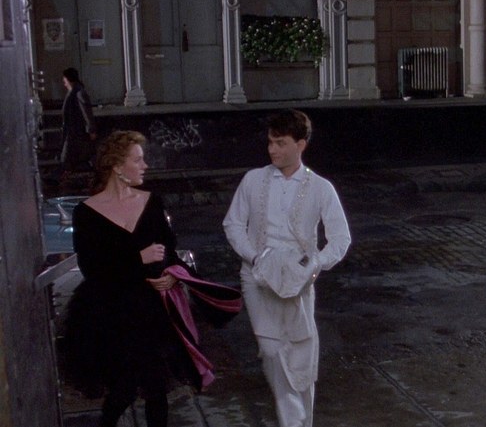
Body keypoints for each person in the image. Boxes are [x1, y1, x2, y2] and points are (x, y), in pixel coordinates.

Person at [63, 131, 205, 427]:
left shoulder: (152, 202)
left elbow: (168, 250)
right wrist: (137, 258)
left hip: (150, 310)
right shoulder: (87, 214)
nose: (145, 166)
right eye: (138, 160)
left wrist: (171, 275)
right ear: (117, 166)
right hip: (111, 314)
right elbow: (93, 268)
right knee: (124, 386)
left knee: (155, 387)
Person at [223, 109, 351, 427]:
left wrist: (315, 264)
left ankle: (301, 422)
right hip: (257, 276)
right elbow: (233, 224)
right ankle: (292, 420)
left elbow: (340, 238)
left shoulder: (321, 188)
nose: (272, 150)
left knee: (300, 350)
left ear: (300, 144)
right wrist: (255, 257)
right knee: (270, 349)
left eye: (280, 143)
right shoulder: (253, 179)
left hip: (298, 281)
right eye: (270, 142)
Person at [60, 67, 97, 176]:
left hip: (76, 131)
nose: (63, 82)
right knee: (68, 157)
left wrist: (91, 129)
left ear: (69, 79)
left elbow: (86, 112)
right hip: (72, 131)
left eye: (64, 79)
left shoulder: (78, 92)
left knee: (68, 157)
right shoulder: (74, 91)